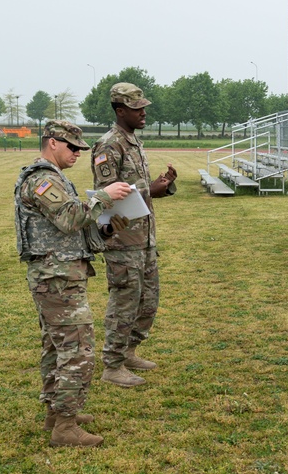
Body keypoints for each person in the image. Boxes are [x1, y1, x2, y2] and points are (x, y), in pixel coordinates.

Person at [14, 120, 133, 448]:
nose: (78, 153)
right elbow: (68, 217)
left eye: (81, 149)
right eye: (72, 147)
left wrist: (106, 229)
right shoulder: (41, 179)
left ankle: (57, 414)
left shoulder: (55, 178)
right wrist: (104, 198)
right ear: (52, 143)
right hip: (56, 278)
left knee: (57, 347)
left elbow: (69, 230)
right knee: (77, 348)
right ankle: (65, 427)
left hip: (61, 274)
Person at [91, 82, 177, 388]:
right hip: (122, 239)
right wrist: (147, 188)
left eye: (144, 108)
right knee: (125, 301)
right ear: (120, 110)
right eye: (137, 109)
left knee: (147, 300)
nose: (143, 113)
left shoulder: (133, 142)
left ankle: (129, 351)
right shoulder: (109, 145)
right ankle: (112, 364)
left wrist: (161, 186)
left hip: (143, 238)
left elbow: (138, 193)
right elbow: (106, 195)